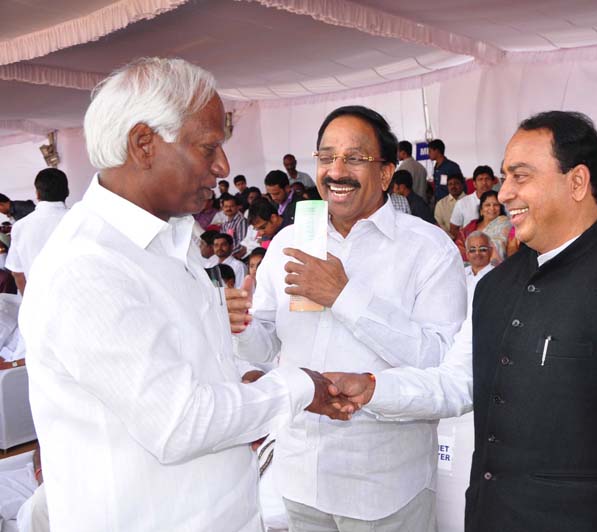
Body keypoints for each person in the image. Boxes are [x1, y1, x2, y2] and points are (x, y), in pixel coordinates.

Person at [325, 111, 597, 532]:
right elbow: (456, 383)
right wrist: (373, 388)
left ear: (577, 182)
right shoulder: (493, 285)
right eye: (505, 176)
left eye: (520, 176)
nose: (504, 193)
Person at [18, 57, 352, 532]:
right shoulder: (88, 266)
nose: (223, 166)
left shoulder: (172, 238)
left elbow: (190, 367)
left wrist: (244, 379)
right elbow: (179, 423)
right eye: (208, 146)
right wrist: (298, 387)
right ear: (144, 144)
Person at [227, 105, 466, 532]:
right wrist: (242, 326)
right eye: (326, 157)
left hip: (384, 486)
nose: (336, 171)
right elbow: (266, 347)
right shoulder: (288, 242)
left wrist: (344, 296)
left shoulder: (429, 249)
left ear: (386, 173)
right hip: (299, 476)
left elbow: (440, 362)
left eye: (354, 158)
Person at [5, 168, 69, 295]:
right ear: (67, 192)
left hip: (39, 300)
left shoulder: (20, 226)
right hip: (76, 299)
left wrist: (28, 301)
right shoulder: (80, 219)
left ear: (37, 194)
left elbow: (17, 273)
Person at [455, 190, 511, 263]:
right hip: (469, 267)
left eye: (496, 205)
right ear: (481, 210)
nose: (492, 208)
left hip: (498, 267)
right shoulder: (470, 227)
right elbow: (459, 249)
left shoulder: (506, 224)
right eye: (487, 205)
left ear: (501, 208)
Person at [449, 166, 497, 240]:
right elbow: (453, 229)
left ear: (493, 182)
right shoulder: (462, 203)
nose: (484, 183)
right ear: (474, 184)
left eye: (487, 179)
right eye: (480, 179)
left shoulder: (502, 201)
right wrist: (466, 242)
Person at [463, 231, 494, 309]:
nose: (477, 253)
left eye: (483, 249)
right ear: (467, 254)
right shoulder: (460, 274)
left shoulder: (497, 276)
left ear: (491, 251)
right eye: (472, 250)